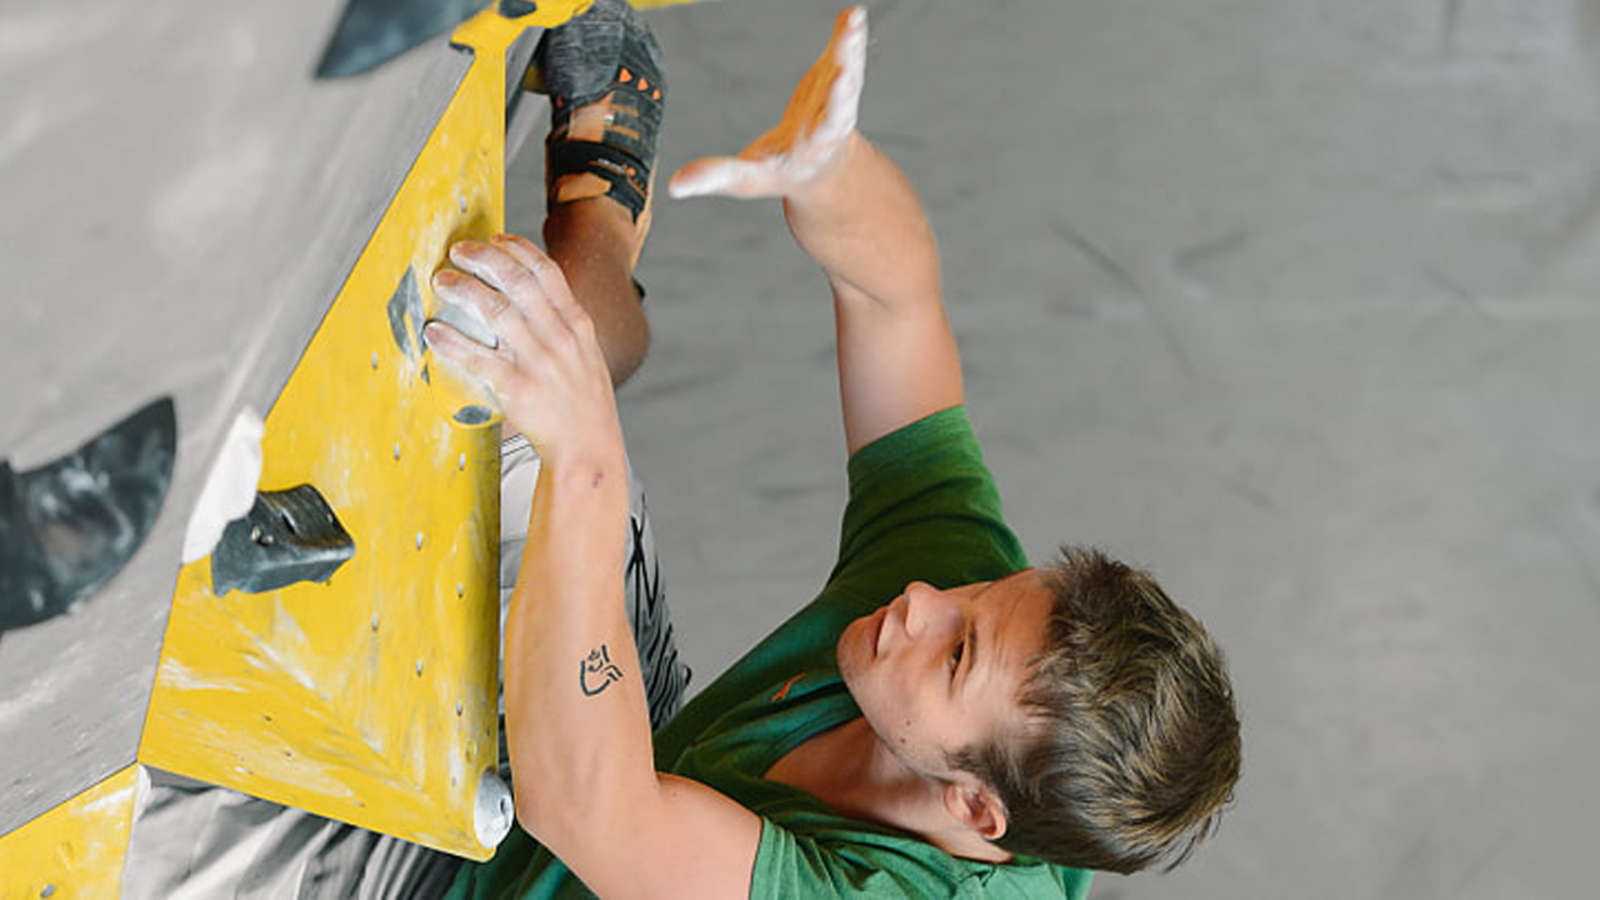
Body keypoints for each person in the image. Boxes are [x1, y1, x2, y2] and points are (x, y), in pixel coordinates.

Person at [427, 3, 1241, 898]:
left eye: (957, 653)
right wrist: (830, 171)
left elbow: (591, 811)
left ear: (976, 810)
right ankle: (601, 231)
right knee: (500, 358)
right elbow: (896, 302)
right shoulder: (978, 638)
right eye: (985, 592)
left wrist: (587, 452)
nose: (925, 599)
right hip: (626, 764)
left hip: (551, 828)